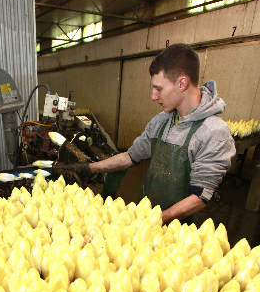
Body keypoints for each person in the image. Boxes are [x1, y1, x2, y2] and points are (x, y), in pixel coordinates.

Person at [72, 43, 236, 223]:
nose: (153, 96)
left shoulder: (213, 132)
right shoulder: (162, 121)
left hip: (179, 231)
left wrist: (156, 220)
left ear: (182, 83)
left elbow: (200, 197)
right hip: (146, 215)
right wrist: (89, 168)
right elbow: (131, 157)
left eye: (159, 89)